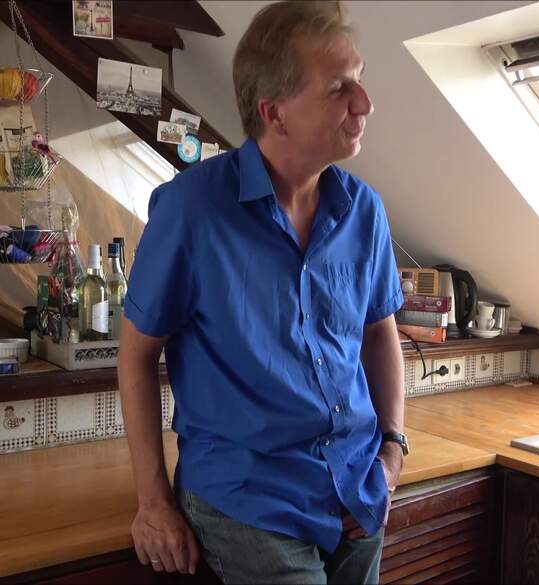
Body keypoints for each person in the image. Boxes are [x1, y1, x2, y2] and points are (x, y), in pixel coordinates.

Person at [117, 1, 406, 583]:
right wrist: (152, 502)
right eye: (339, 88)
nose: (364, 103)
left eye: (359, 79)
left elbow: (380, 335)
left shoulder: (364, 210)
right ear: (275, 113)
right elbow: (136, 356)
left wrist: (393, 448)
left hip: (357, 491)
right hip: (249, 502)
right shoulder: (192, 210)